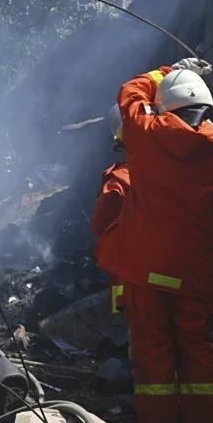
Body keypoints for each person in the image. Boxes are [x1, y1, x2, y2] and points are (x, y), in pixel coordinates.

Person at [118, 58, 213, 423]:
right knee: (197, 348)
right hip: (193, 270)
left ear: (167, 106)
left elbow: (130, 91)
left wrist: (167, 70)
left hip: (147, 267)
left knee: (153, 352)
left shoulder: (146, 132)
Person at [91, 103, 129, 316]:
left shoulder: (121, 181)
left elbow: (100, 223)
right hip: (187, 275)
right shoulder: (180, 172)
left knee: (142, 335)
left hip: (132, 276)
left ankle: (122, 334)